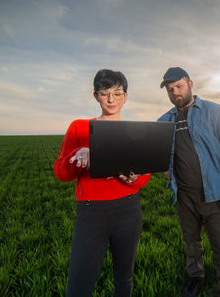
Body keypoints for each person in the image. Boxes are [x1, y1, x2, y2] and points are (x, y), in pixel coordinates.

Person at [54, 69, 150, 297]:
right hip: (91, 213)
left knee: (124, 280)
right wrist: (78, 156)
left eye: (117, 93)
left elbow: (143, 177)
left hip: (128, 211)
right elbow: (61, 172)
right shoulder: (78, 127)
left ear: (125, 96)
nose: (111, 99)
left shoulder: (133, 133)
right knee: (79, 285)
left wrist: (134, 177)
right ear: (95, 96)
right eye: (104, 93)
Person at [158, 67, 220, 297]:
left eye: (179, 86)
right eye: (170, 89)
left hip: (214, 194)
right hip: (184, 197)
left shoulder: (214, 112)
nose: (175, 92)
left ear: (190, 83)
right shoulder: (164, 121)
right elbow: (159, 154)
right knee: (191, 244)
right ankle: (196, 278)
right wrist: (165, 167)